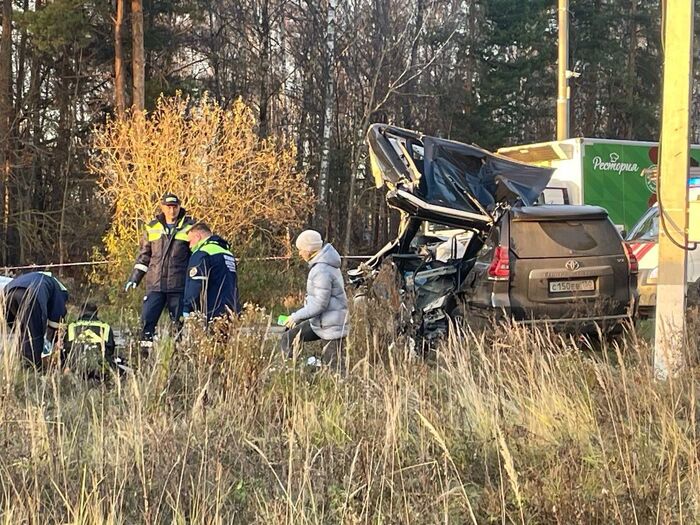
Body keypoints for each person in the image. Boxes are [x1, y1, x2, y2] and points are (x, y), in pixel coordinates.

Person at [124, 193, 195, 350]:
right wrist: (134, 278)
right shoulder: (152, 227)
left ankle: (177, 359)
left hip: (178, 287)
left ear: (179, 207)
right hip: (155, 286)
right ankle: (144, 357)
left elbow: (195, 258)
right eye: (168, 207)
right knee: (146, 323)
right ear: (162, 207)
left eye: (175, 207)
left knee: (178, 326)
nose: (172, 211)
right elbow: (144, 257)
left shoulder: (190, 227)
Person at [280, 230, 349, 366]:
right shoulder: (324, 265)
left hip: (330, 327)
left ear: (309, 249)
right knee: (288, 338)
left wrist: (296, 316)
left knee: (335, 370)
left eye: (301, 250)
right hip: (320, 323)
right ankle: (295, 369)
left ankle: (299, 369)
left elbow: (319, 304)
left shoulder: (321, 270)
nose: (299, 253)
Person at [3, 271, 69, 367]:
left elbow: (14, 325)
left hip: (8, 292)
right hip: (32, 293)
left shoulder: (45, 280)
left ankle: (20, 363)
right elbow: (56, 320)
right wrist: (51, 341)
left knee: (22, 332)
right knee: (35, 335)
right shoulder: (61, 291)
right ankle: (33, 368)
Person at [183, 223, 241, 322]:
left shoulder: (202, 253)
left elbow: (196, 284)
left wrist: (187, 308)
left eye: (190, 241)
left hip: (212, 310)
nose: (189, 246)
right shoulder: (227, 253)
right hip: (231, 308)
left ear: (197, 237)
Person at [63, 302, 126, 378]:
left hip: (77, 366)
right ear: (96, 313)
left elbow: (67, 349)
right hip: (100, 366)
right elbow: (110, 350)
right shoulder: (105, 327)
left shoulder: (72, 326)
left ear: (81, 312)